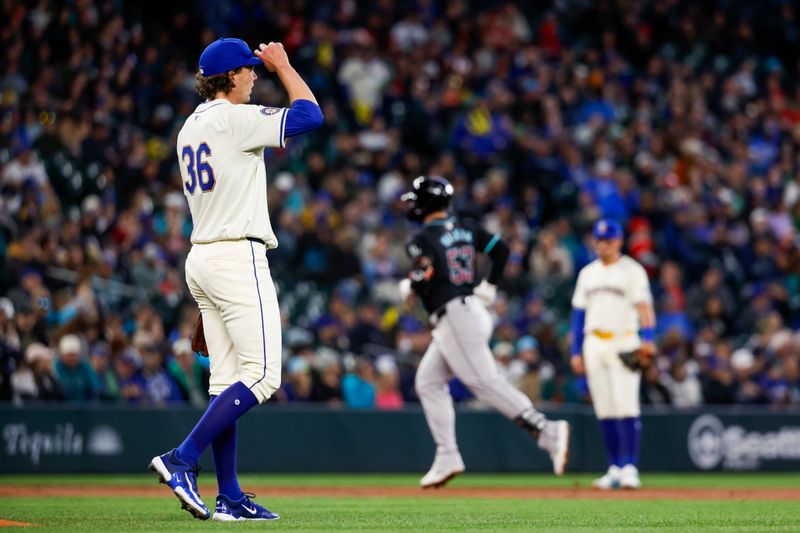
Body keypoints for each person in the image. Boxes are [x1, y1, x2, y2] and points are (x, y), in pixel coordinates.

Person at [148, 37, 322, 521]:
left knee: (226, 382)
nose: (255, 76)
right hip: (235, 256)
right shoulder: (232, 118)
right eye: (249, 70)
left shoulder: (191, 127)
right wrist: (285, 66)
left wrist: (213, 303)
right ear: (229, 76)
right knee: (264, 376)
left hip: (203, 256)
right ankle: (182, 458)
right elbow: (310, 116)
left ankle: (229, 495)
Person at [399, 175, 570, 489]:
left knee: (485, 383)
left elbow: (424, 275)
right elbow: (501, 250)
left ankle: (546, 431)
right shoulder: (467, 227)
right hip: (469, 309)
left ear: (426, 202)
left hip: (454, 315)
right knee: (429, 381)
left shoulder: (422, 237)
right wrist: (489, 286)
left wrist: (410, 287)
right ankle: (447, 453)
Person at [569, 219, 656, 490]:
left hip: (624, 342)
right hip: (594, 342)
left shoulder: (632, 271)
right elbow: (578, 314)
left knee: (626, 405)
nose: (603, 244)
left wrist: (649, 340)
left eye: (608, 240)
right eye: (599, 239)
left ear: (619, 241)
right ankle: (614, 468)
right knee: (605, 409)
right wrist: (575, 351)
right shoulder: (588, 273)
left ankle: (630, 466)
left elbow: (645, 309)